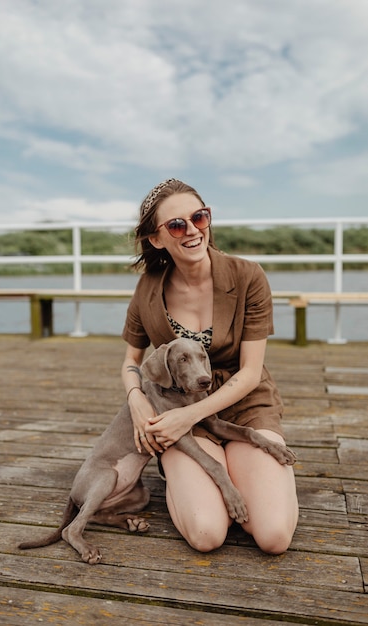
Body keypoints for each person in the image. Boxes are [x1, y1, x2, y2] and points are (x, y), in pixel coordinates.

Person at [121, 178, 298, 555]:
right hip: (177, 410)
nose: (192, 230)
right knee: (206, 534)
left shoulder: (247, 275)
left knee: (273, 536)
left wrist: (193, 415)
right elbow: (130, 362)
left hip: (245, 404)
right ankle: (188, 482)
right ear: (156, 238)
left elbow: (250, 373)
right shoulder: (147, 290)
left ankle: (235, 470)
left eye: (198, 217)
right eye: (176, 225)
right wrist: (137, 398)